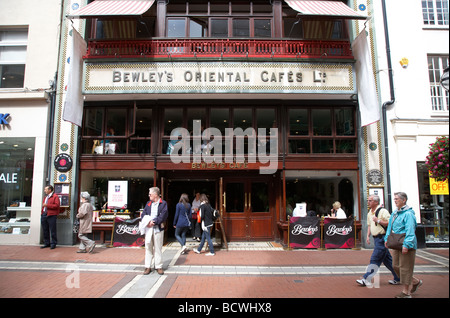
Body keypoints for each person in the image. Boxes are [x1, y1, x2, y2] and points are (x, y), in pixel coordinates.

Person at [384, 192, 422, 298]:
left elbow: (410, 230)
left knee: (405, 268)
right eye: (394, 199)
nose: (395, 201)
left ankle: (406, 292)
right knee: (395, 266)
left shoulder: (408, 214)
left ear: (404, 200)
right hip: (396, 243)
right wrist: (387, 238)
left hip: (405, 243)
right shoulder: (395, 213)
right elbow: (390, 227)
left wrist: (407, 244)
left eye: (397, 199)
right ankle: (415, 281)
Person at [356, 195, 400, 286]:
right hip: (376, 238)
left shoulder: (383, 211)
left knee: (375, 258)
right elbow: (369, 225)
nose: (368, 202)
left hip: (382, 238)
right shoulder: (369, 212)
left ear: (376, 202)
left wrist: (379, 221)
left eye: (370, 200)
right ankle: (399, 277)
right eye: (368, 200)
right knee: (388, 261)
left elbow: (391, 222)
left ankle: (366, 278)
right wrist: (368, 236)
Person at [141, 187, 168, 275]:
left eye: (150, 194)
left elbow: (163, 215)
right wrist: (148, 222)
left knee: (158, 248)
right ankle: (147, 266)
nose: (149, 196)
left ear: (155, 195)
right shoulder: (148, 203)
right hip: (149, 229)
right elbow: (143, 214)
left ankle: (158, 266)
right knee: (148, 247)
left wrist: (155, 222)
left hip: (158, 229)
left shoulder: (163, 203)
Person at [40, 185, 60, 249]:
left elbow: (57, 205)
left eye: (46, 189)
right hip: (44, 214)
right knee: (45, 230)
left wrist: (47, 205)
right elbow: (43, 206)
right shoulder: (46, 197)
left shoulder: (55, 196)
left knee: (52, 230)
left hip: (51, 215)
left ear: (50, 190)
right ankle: (46, 243)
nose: (44, 190)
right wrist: (42, 213)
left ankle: (53, 243)